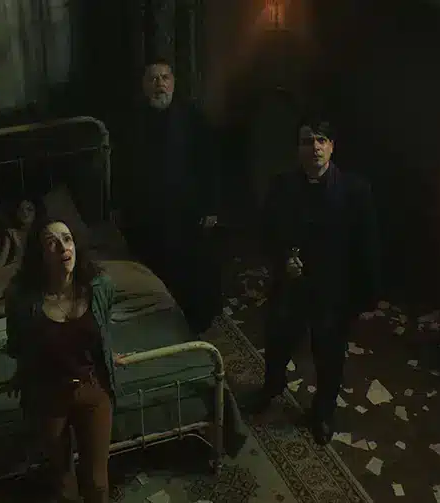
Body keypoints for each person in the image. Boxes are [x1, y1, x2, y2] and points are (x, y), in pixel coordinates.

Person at [248, 118, 381, 445]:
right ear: (298, 148)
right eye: (308, 141)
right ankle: (272, 387)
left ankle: (323, 412)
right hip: (290, 287)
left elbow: (366, 246)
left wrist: (363, 297)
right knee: (278, 341)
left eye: (322, 140)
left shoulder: (355, 191)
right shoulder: (282, 185)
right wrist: (283, 259)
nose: (315, 147)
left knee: (329, 355)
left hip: (332, 292)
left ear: (332, 146)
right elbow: (266, 232)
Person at [2, 218, 124, 503]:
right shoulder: (22, 300)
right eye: (52, 243)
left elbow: (102, 327)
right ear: (40, 255)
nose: (63, 247)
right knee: (62, 483)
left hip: (92, 389)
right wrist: (22, 375)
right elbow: (17, 345)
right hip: (49, 396)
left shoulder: (99, 286)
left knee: (97, 483)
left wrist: (108, 354)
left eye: (67, 239)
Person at [113, 56, 222, 333]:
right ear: (144, 85)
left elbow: (209, 164)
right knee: (152, 270)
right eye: (153, 79)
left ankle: (193, 324)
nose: (159, 84)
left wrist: (210, 207)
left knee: (193, 271)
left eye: (164, 78)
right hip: (148, 213)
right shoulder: (132, 122)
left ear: (173, 82)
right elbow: (122, 169)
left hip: (188, 212)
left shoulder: (192, 118)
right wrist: (120, 208)